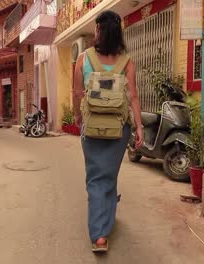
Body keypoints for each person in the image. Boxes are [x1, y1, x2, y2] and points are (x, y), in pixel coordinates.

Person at [72, 10, 143, 252]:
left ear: (99, 31)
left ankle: (99, 235)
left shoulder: (83, 59)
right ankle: (105, 222)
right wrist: (139, 127)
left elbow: (76, 94)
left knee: (95, 177)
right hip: (118, 130)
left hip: (91, 128)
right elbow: (133, 97)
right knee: (109, 174)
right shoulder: (128, 62)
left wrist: (79, 117)